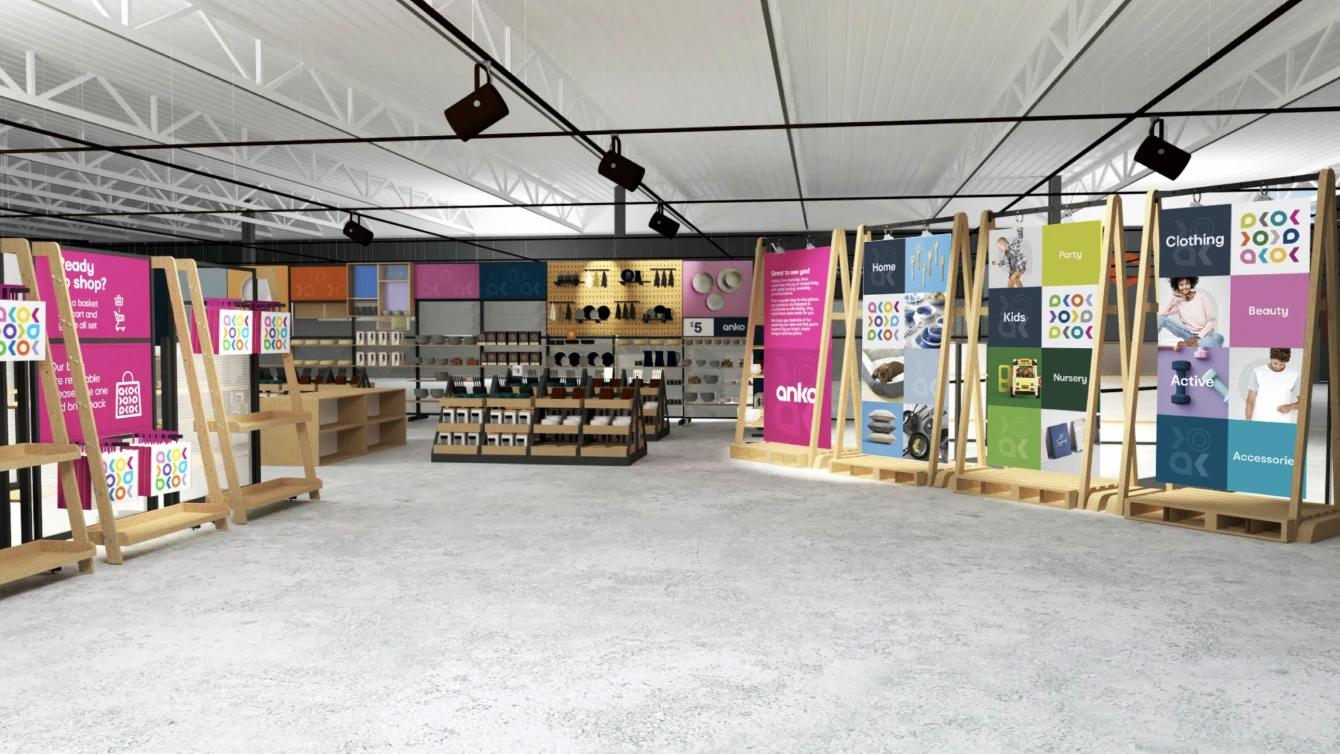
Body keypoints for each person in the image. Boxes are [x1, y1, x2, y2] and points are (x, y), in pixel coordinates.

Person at [1159, 276, 1224, 348]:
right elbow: (1163, 315)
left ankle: (1183, 344)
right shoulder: (1179, 303)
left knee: (1219, 338)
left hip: (1205, 335)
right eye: (1181, 284)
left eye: (1187, 283)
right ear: (1177, 286)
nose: (1184, 287)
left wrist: (1198, 337)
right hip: (1188, 334)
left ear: (1191, 283)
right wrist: (1173, 296)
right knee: (1161, 319)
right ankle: (1193, 345)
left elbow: (1212, 321)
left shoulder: (1201, 296)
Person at [1245, 348, 1300, 423]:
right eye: (1275, 363)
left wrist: (1290, 407)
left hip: (1283, 422)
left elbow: (1304, 402)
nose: (1278, 367)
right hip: (1260, 420)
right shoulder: (1258, 372)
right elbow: (1250, 400)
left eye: (1282, 364)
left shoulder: (1294, 375)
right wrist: (1247, 422)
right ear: (1271, 358)